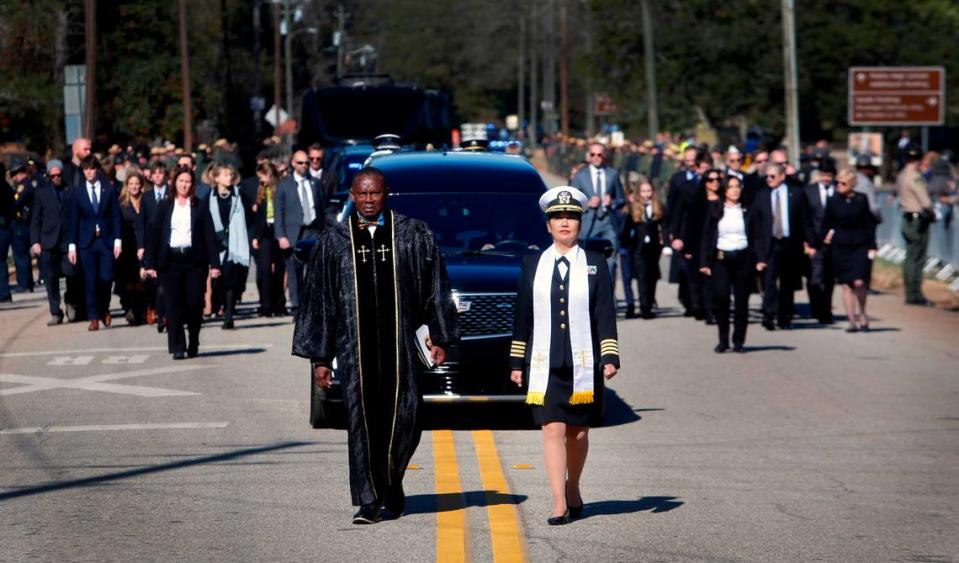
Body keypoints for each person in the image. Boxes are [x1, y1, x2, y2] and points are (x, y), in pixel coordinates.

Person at [293, 167, 457, 524]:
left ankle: (391, 481)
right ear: (352, 197)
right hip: (355, 353)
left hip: (401, 350)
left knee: (407, 418)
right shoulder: (335, 241)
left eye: (374, 194)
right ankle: (368, 500)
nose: (368, 200)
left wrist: (441, 336)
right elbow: (320, 302)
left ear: (386, 194)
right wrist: (320, 358)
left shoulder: (412, 234)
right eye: (362, 194)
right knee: (362, 423)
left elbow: (435, 287)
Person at [509, 186, 619, 526]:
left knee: (579, 433)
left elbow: (604, 313)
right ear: (548, 225)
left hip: (583, 364)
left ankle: (574, 488)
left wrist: (610, 355)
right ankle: (559, 502)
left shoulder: (596, 264)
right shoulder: (532, 264)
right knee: (552, 428)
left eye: (571, 216)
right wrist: (516, 361)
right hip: (544, 364)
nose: (565, 222)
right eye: (558, 217)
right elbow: (523, 315)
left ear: (580, 223)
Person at [143, 166, 221, 359]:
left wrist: (215, 264)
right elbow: (154, 236)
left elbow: (209, 235)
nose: (184, 185)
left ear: (192, 184)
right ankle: (178, 345)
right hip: (170, 261)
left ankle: (193, 338)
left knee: (194, 303)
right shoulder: (164, 205)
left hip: (194, 261)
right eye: (181, 181)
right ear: (174, 183)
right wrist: (150, 263)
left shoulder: (199, 206)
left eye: (188, 181)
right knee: (173, 303)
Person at [700, 175, 756, 353]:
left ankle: (738, 340)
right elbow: (707, 237)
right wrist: (705, 262)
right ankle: (723, 339)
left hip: (743, 257)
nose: (734, 190)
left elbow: (758, 234)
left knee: (741, 302)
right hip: (721, 259)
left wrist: (760, 258)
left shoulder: (747, 209)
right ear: (724, 190)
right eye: (730, 187)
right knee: (722, 298)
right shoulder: (716, 208)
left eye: (737, 186)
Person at [67, 156, 122, 331]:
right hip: (86, 242)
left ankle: (104, 307)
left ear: (97, 170)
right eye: (86, 169)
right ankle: (93, 317)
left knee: (106, 277)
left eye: (91, 169)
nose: (89, 172)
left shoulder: (109, 189)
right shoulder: (78, 192)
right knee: (90, 280)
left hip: (106, 241)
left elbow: (115, 216)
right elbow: (73, 220)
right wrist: (72, 245)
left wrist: (118, 240)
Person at [821, 169, 877, 331]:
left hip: (860, 244)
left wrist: (872, 246)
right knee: (846, 284)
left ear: (851, 185)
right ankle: (851, 321)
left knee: (859, 282)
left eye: (843, 183)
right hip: (840, 246)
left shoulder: (861, 199)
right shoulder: (833, 201)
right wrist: (823, 239)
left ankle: (863, 313)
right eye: (837, 182)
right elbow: (826, 223)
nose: (839, 186)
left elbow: (868, 223)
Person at [752, 162, 806, 330]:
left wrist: (809, 242)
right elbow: (755, 222)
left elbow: (805, 220)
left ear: (782, 176)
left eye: (772, 176)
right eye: (766, 176)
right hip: (770, 244)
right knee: (769, 281)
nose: (769, 179)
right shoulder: (762, 195)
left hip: (790, 244)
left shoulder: (796, 194)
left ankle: (785, 316)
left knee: (787, 282)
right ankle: (768, 314)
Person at [275, 150, 325, 311]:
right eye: (300, 162)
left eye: (306, 163)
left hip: (313, 231)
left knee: (313, 270)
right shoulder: (284, 185)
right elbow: (279, 212)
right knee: (294, 271)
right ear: (293, 163)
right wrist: (281, 236)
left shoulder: (315, 183)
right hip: (293, 233)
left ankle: (312, 304)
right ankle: (297, 306)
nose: (304, 166)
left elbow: (322, 208)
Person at [30, 160, 78, 324]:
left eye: (59, 175)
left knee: (71, 273)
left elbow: (75, 215)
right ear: (48, 176)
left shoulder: (70, 190)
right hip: (48, 241)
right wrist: (35, 241)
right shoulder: (41, 192)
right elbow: (35, 218)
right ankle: (55, 312)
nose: (56, 178)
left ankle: (71, 301)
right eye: (53, 176)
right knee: (51, 278)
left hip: (67, 241)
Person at [569, 142, 625, 278]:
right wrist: (587, 203)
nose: (596, 157)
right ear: (589, 155)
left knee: (611, 261)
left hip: (608, 222)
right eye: (593, 154)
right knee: (586, 262)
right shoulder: (580, 176)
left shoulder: (613, 174)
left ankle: (608, 297)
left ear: (604, 155)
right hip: (588, 223)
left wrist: (612, 202)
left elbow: (621, 198)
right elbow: (571, 200)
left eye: (599, 154)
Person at [207, 163, 250, 329]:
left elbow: (252, 216)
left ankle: (229, 315)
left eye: (231, 174)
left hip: (235, 245)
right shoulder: (209, 198)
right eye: (225, 174)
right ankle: (219, 306)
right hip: (217, 244)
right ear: (216, 178)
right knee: (218, 282)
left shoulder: (239, 195)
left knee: (231, 281)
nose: (229, 177)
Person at [895, 147, 935, 306]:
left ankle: (910, 292)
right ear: (918, 160)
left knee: (910, 257)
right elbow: (925, 201)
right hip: (918, 220)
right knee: (917, 258)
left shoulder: (901, 174)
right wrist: (932, 213)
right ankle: (914, 294)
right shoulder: (915, 177)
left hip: (907, 218)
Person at [621, 179, 664, 319]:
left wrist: (666, 242)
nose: (646, 194)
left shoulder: (658, 206)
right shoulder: (634, 208)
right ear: (639, 193)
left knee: (652, 276)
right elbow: (627, 229)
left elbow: (664, 225)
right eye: (643, 191)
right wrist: (625, 244)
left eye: (649, 191)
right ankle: (645, 307)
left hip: (654, 247)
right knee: (642, 276)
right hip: (638, 248)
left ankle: (650, 301)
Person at [802, 158, 837, 324]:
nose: (826, 178)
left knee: (829, 278)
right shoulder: (809, 191)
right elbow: (805, 218)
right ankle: (816, 308)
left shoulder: (838, 191)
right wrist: (807, 241)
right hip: (813, 241)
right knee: (814, 277)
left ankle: (826, 310)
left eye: (829, 175)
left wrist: (833, 232)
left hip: (833, 241)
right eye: (824, 175)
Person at [250, 161, 287, 317]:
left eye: (263, 176)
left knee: (279, 269)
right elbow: (258, 217)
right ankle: (266, 305)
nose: (261, 180)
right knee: (264, 269)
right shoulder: (261, 190)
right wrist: (256, 237)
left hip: (278, 230)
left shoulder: (280, 188)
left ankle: (279, 304)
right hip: (264, 233)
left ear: (269, 175)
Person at [139, 162, 171, 330]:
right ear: (150, 176)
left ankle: (164, 315)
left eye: (161, 172)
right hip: (152, 244)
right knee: (154, 283)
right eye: (155, 173)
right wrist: (141, 245)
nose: (158, 176)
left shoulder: (171, 194)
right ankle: (157, 310)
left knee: (164, 283)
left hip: (167, 242)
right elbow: (142, 223)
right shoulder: (146, 197)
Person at [117, 171, 147, 325]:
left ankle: (141, 310)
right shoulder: (121, 204)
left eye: (137, 183)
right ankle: (130, 309)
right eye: (131, 184)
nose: (134, 187)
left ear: (141, 185)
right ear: (127, 186)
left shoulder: (146, 201)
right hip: (127, 246)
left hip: (143, 245)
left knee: (141, 281)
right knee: (129, 281)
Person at [8, 159, 36, 293]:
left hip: (22, 225)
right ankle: (26, 283)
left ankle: (24, 284)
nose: (13, 178)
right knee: (22, 255)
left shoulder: (24, 186)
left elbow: (16, 202)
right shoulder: (27, 185)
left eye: (14, 174)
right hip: (25, 224)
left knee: (21, 256)